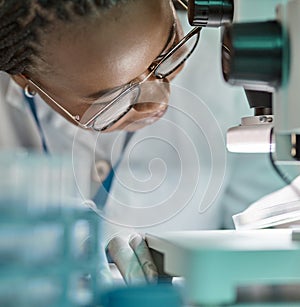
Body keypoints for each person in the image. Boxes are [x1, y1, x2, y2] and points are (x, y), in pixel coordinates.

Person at [0, 0, 286, 285]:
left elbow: (268, 232)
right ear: (25, 80)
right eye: (113, 97)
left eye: (168, 54)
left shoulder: (230, 64)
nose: (158, 101)